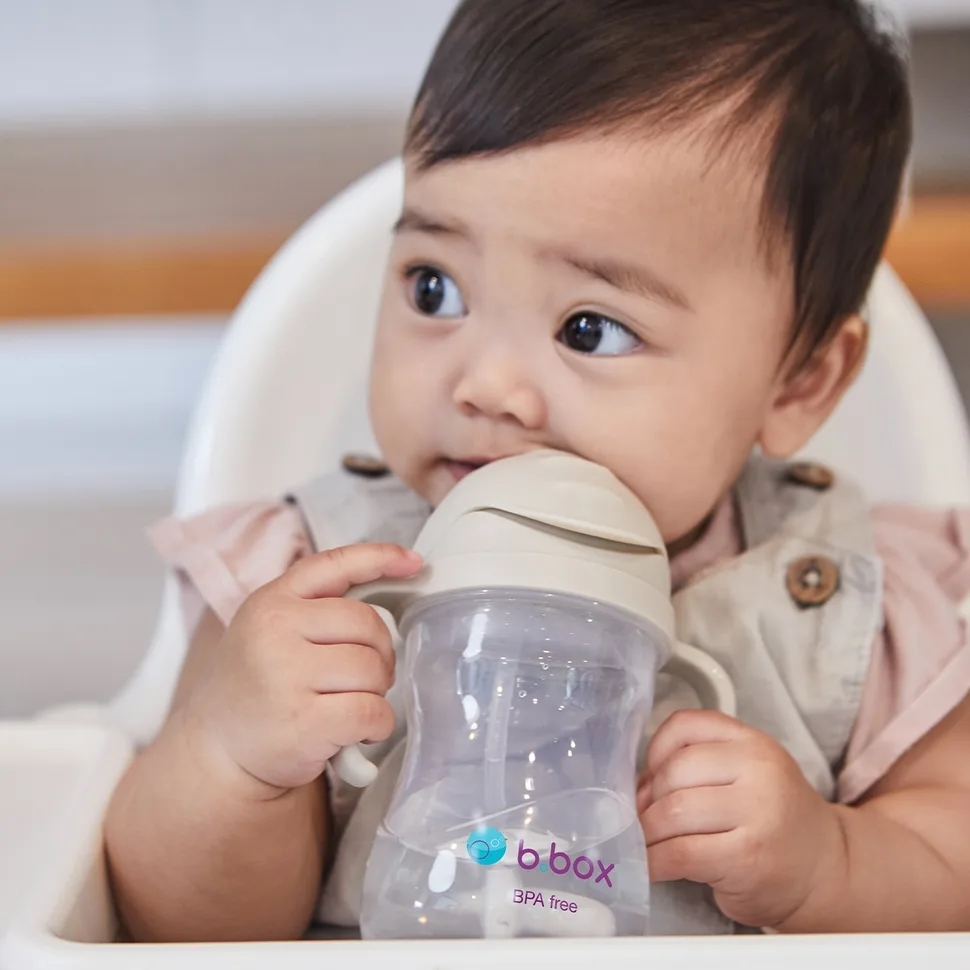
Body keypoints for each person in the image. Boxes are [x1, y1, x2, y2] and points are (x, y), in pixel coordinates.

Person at [104, 0, 970, 942]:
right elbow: (169, 930)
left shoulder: (861, 607)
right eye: (435, 287)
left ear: (801, 380)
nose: (485, 384)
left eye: (589, 329)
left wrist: (829, 864)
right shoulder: (303, 575)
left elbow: (951, 862)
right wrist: (234, 758)